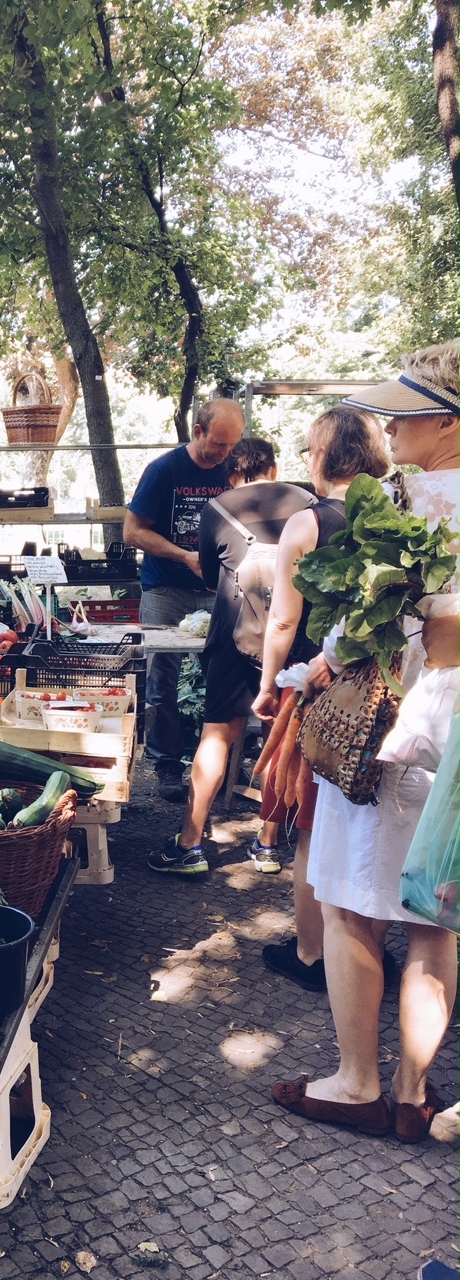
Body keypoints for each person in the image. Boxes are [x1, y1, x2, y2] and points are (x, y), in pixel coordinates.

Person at [271, 339, 459, 1143]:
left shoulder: (412, 498)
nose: (389, 421)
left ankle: (357, 1083)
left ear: (446, 421)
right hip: (452, 728)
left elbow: (368, 618)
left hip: (390, 724)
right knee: (434, 916)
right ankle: (415, 1093)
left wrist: (310, 668)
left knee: (351, 905)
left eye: (405, 408)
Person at [251, 407, 390, 981]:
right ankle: (370, 951)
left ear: (322, 456)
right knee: (373, 822)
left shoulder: (306, 524)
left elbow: (283, 621)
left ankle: (313, 954)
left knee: (313, 823)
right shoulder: (394, 514)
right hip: (386, 692)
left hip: (324, 692)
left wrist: (266, 685)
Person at [149, 437, 314, 874]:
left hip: (233, 636)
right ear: (273, 468)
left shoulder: (218, 508)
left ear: (232, 473)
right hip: (296, 638)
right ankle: (267, 843)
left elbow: (208, 575)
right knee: (280, 737)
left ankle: (189, 844)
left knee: (217, 737)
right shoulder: (308, 503)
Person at [123, 398, 245, 801]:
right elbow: (132, 532)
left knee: (227, 676)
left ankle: (222, 763)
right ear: (197, 432)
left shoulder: (234, 470)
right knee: (162, 680)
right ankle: (166, 765)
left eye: (233, 446)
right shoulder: (164, 471)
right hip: (166, 589)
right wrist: (184, 557)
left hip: (220, 590)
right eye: (220, 445)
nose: (227, 454)